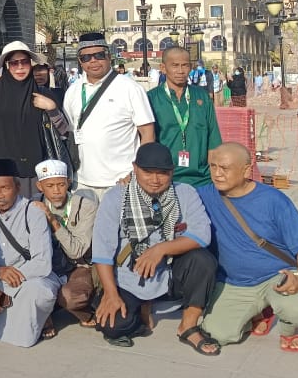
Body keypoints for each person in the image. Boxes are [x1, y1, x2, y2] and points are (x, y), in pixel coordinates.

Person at [91, 142, 219, 354]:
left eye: (163, 173)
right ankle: (141, 310)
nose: (155, 179)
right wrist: (111, 294)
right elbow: (102, 251)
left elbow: (202, 234)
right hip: (129, 277)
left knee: (203, 260)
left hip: (168, 273)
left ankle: (188, 325)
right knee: (113, 326)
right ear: (135, 168)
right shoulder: (116, 197)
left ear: (172, 172)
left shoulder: (185, 193)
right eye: (148, 172)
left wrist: (160, 249)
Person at [200, 144, 298, 352]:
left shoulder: (274, 200)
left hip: (277, 276)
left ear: (246, 170)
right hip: (234, 282)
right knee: (216, 334)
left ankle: (290, 330)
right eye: (213, 166)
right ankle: (259, 312)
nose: (217, 174)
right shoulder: (204, 195)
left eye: (224, 168)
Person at [0, 163, 60, 346]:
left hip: (26, 277)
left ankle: (40, 319)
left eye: (5, 188)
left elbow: (42, 262)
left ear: (17, 187)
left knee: (39, 291)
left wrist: (4, 286)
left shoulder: (33, 212)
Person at [62, 32, 155, 200]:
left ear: (109, 56)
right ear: (80, 61)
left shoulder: (130, 88)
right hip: (81, 182)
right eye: (86, 57)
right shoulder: (72, 91)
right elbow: (70, 131)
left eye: (99, 55)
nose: (93, 61)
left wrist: (136, 172)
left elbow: (148, 134)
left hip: (121, 181)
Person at [0, 41, 69, 199]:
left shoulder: (43, 94)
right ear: (6, 65)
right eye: (14, 63)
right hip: (4, 172)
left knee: (36, 210)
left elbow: (64, 131)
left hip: (39, 172)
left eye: (24, 62)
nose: (20, 67)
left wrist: (51, 108)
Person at [32, 159, 98, 327]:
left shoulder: (85, 206)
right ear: (40, 186)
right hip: (47, 267)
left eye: (61, 185)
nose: (56, 191)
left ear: (68, 183)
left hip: (78, 266)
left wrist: (52, 220)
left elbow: (76, 252)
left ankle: (86, 315)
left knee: (70, 297)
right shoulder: (33, 203)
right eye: (50, 186)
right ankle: (48, 311)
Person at [148, 46, 222, 189]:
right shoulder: (151, 98)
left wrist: (213, 176)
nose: (180, 71)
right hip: (167, 180)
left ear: (191, 67)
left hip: (202, 180)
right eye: (175, 65)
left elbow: (213, 140)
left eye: (185, 65)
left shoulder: (201, 96)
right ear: (163, 68)